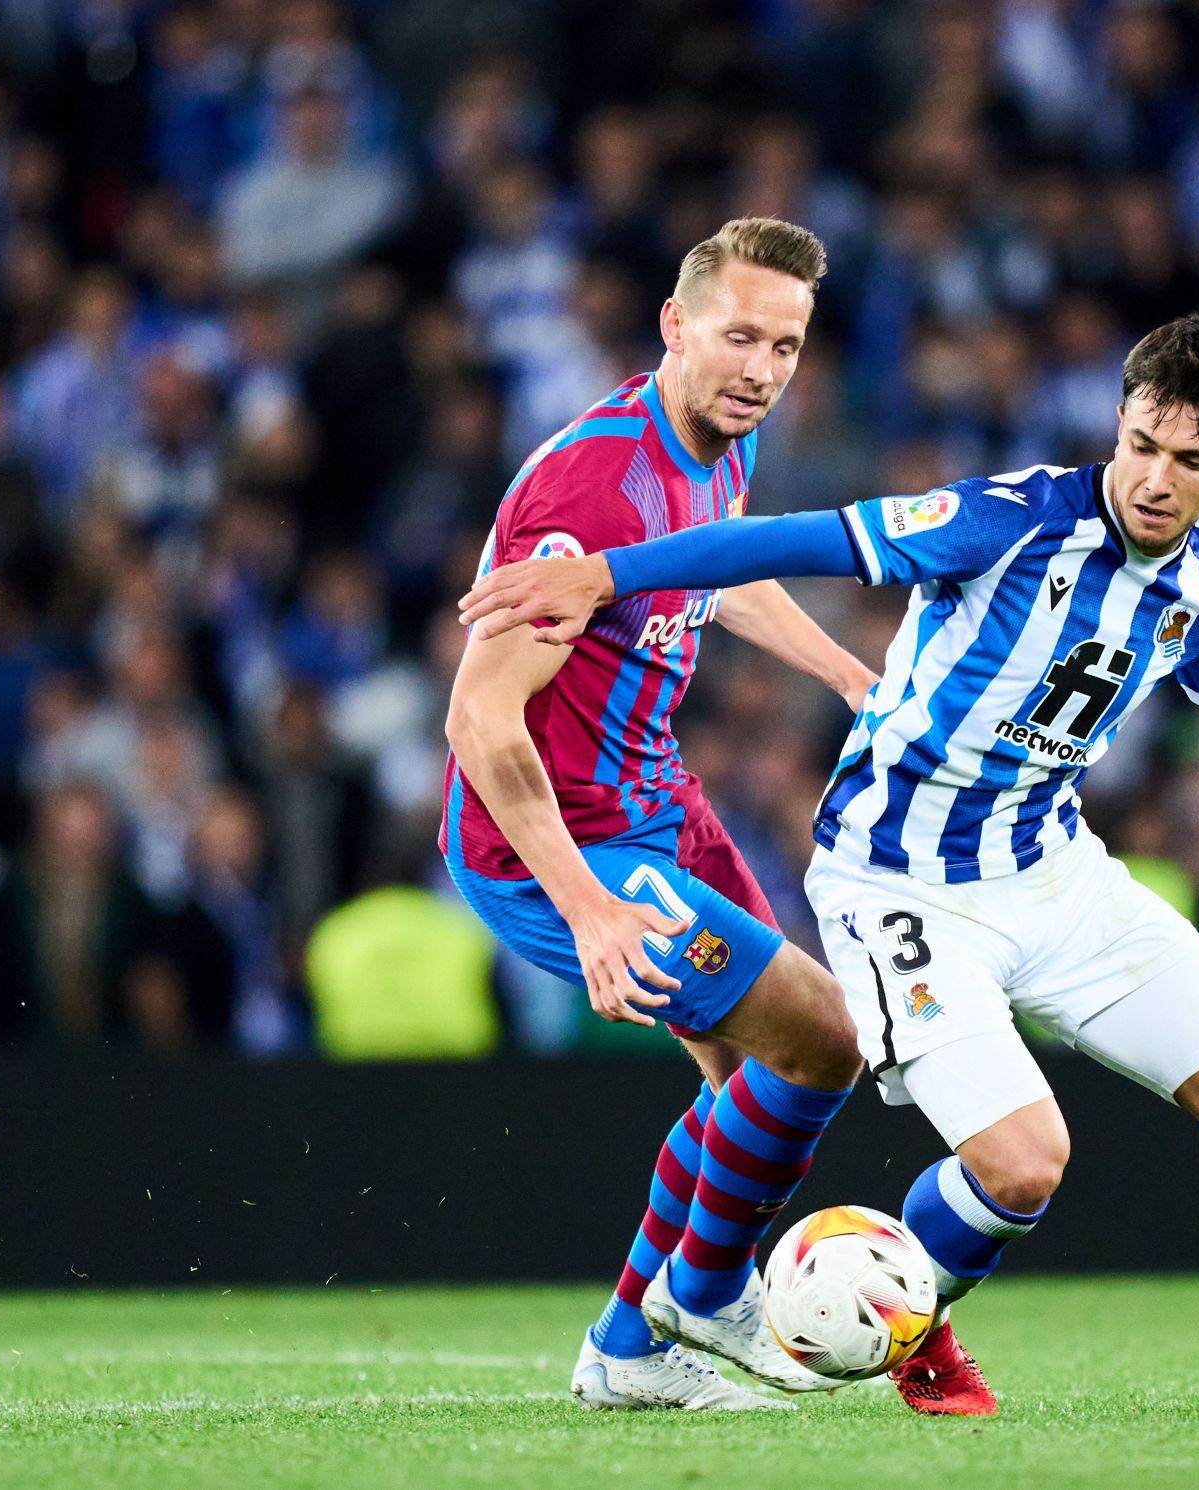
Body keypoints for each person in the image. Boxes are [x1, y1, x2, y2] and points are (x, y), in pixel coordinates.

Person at [459, 313, 1199, 1416]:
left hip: (1056, 872)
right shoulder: (1009, 520)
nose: (1154, 477)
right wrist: (608, 576)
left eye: (1189, 459)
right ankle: (894, 1318)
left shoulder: (1197, 586)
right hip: (897, 881)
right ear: (1120, 423)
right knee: (1022, 1163)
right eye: (1141, 444)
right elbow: (800, 536)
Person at [441, 217, 877, 1412]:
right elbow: (480, 722)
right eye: (740, 336)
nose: (761, 368)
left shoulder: (712, 441)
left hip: (654, 801)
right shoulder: (591, 484)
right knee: (825, 1035)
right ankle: (699, 1294)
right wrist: (585, 908)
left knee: (751, 1074)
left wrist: (844, 673)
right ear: (675, 326)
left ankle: (630, 1347)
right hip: (558, 842)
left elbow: (721, 570)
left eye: (784, 346)